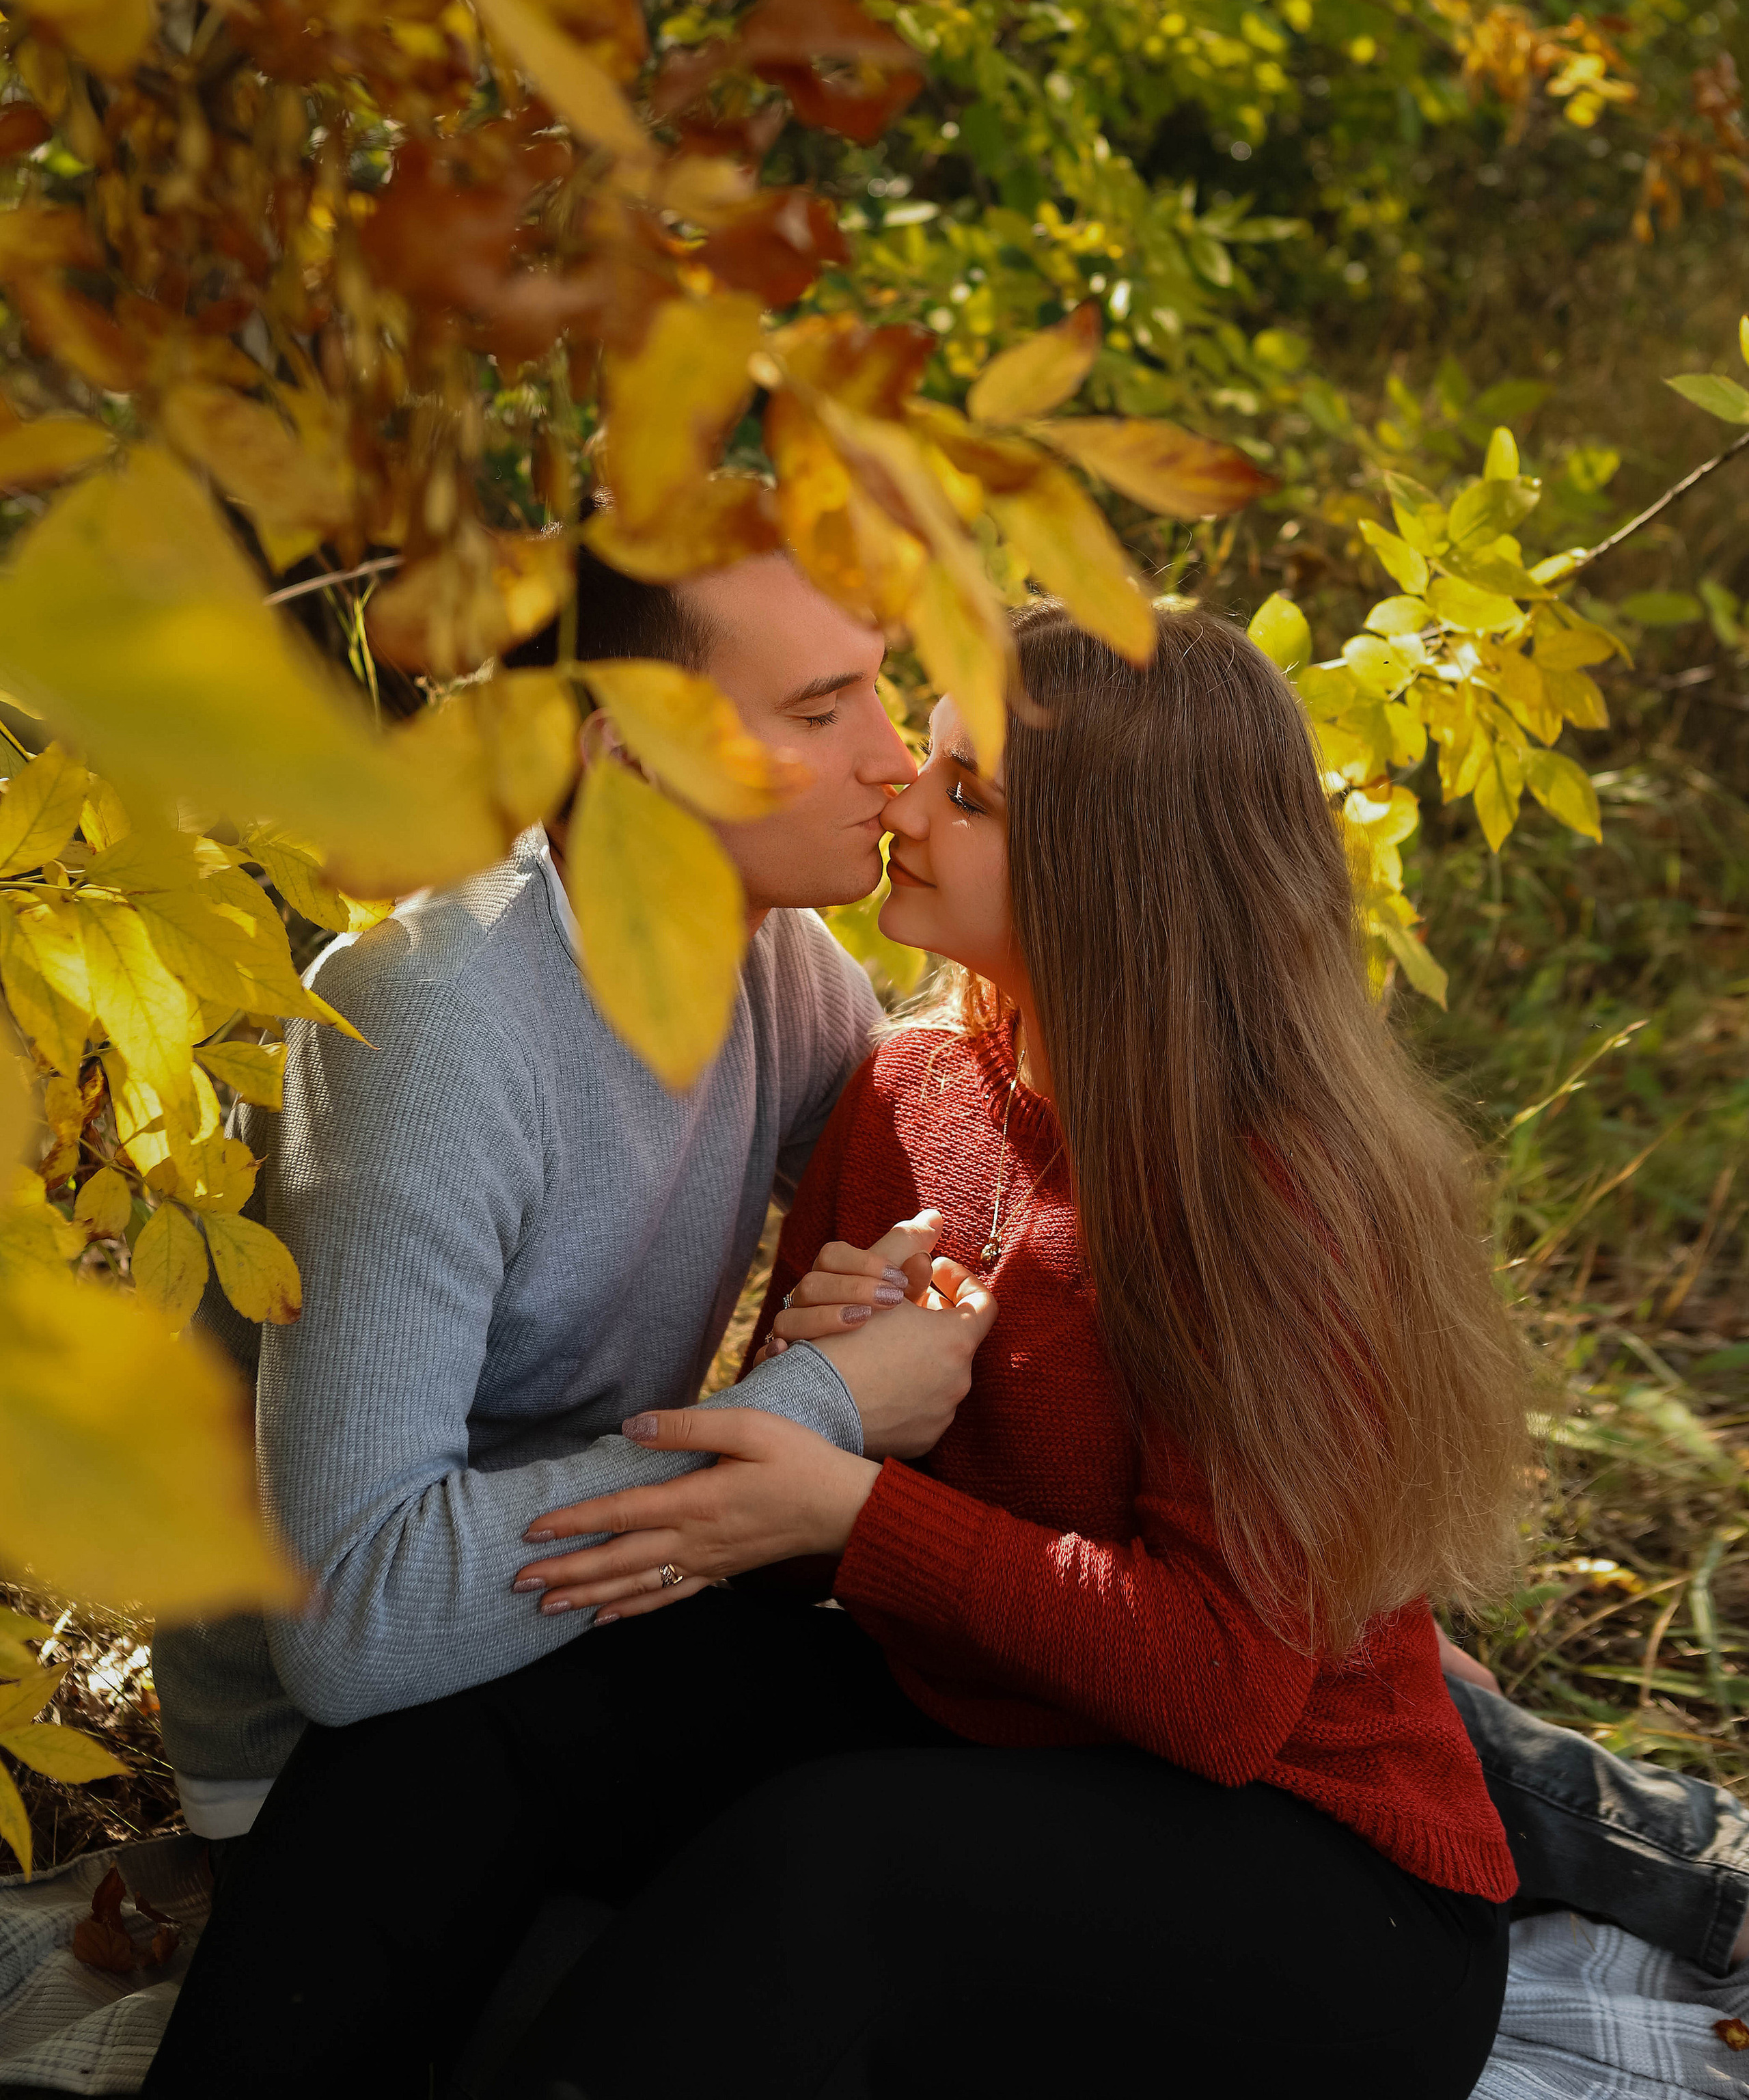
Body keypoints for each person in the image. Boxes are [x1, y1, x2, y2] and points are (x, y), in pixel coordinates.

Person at [150, 596, 1530, 2100]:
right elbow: (811, 1564)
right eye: (898, 740)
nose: (896, 789)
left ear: (1110, 866)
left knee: (824, 1869)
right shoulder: (905, 1087)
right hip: (988, 1731)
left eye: (966, 790)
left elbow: (1220, 1697)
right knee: (485, 1710)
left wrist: (861, 1504)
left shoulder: (1261, 1190)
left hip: (1303, 1862)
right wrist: (842, 1434)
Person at [148, 540, 992, 1860]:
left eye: (880, 694)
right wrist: (815, 1409)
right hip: (338, 1764)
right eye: (820, 713)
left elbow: (970, 1233)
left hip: (580, 1642)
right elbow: (352, 1627)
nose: (891, 762)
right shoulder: (435, 1020)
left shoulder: (774, 954)